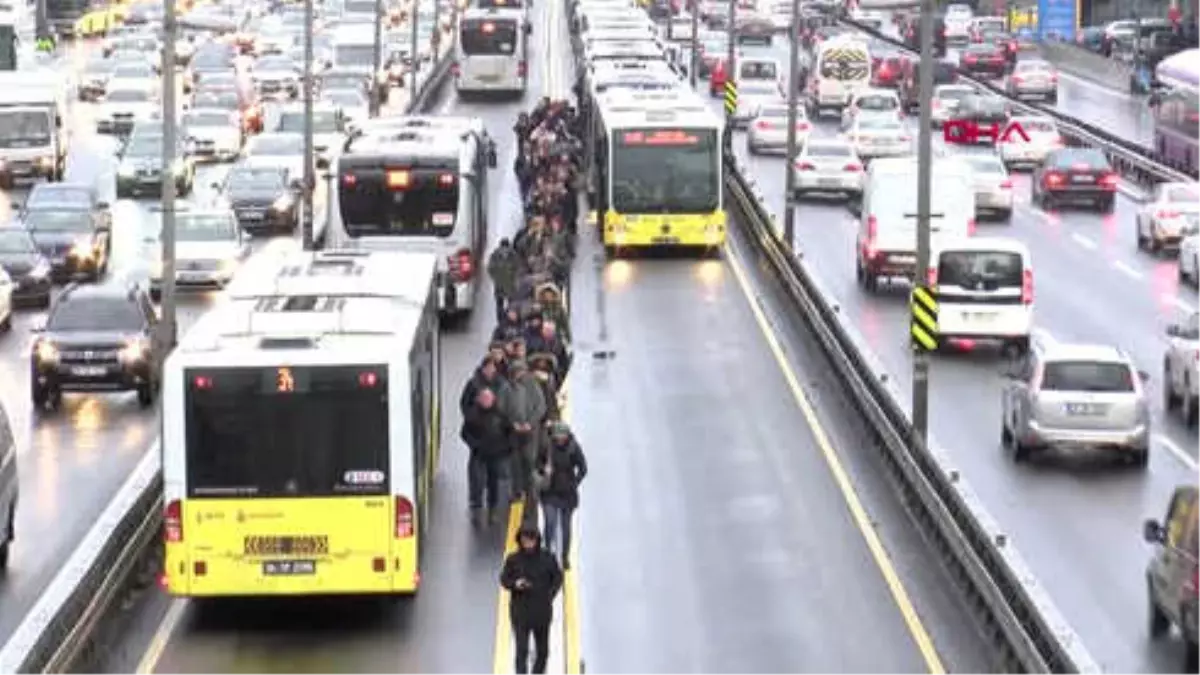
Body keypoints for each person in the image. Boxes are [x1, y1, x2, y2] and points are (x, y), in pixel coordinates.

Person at [500, 526, 562, 675]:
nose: (528, 543)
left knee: (543, 652)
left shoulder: (548, 558)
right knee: (521, 651)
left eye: (530, 540)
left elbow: (558, 578)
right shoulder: (513, 559)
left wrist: (549, 595)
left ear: (536, 540)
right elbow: (504, 579)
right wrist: (516, 584)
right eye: (524, 540)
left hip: (541, 613)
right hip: (520, 613)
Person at [537, 422, 587, 569]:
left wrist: (574, 483)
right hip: (549, 491)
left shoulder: (574, 448)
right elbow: (537, 462)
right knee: (550, 523)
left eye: (562, 436)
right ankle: (547, 553)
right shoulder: (547, 447)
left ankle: (564, 557)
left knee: (566, 528)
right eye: (557, 436)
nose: (559, 439)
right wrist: (543, 470)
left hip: (567, 494)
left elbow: (583, 468)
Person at [461, 387, 511, 524]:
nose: (486, 401)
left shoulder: (501, 415)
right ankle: (476, 507)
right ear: (479, 399)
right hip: (479, 454)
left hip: (496, 454)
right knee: (477, 482)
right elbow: (464, 433)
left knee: (493, 482)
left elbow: (509, 433)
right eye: (483, 398)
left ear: (493, 399)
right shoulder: (473, 415)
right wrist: (474, 444)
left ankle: (493, 509)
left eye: (488, 398)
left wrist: (505, 447)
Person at [502, 360, 547, 502]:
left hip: (531, 432)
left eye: (521, 371)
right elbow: (502, 408)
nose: (519, 374)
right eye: (516, 372)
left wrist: (530, 423)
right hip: (513, 432)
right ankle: (517, 492)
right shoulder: (507, 388)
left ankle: (531, 492)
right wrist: (512, 423)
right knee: (514, 462)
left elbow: (540, 407)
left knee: (528, 460)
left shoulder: (533, 386)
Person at [488, 238, 521, 323]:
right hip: (506, 284)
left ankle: (504, 320)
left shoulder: (496, 254)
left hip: (504, 284)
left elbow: (490, 268)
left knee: (504, 304)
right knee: (506, 304)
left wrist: (496, 278)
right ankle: (506, 319)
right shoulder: (512, 254)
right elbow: (518, 267)